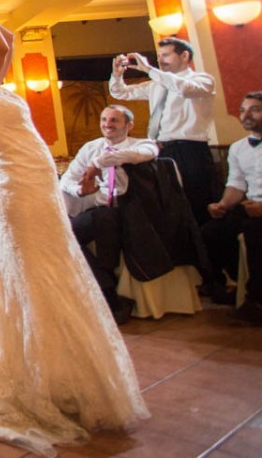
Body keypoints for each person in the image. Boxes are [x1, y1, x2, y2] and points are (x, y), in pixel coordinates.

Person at [0, 0, 147, 455]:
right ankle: (31, 377)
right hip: (16, 189)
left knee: (53, 267)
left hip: (38, 183)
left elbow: (9, 42)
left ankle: (63, 371)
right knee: (31, 272)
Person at [58, 105, 159, 323]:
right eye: (104, 119)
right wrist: (79, 190)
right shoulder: (91, 147)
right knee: (63, 236)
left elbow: (136, 155)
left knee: (106, 218)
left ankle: (109, 294)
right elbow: (67, 179)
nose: (107, 124)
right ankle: (107, 288)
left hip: (132, 212)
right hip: (99, 210)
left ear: (129, 125)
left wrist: (98, 163)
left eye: (114, 120)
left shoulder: (142, 145)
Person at [109, 38, 216, 224]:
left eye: (166, 55)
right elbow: (121, 92)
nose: (160, 60)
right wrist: (117, 75)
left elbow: (184, 89)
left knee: (197, 202)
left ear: (184, 56)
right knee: (169, 206)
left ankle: (204, 240)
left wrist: (149, 69)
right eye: (159, 56)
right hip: (161, 150)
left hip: (189, 151)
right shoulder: (156, 85)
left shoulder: (202, 80)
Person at [201, 92, 262, 324]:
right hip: (251, 206)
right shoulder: (238, 148)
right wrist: (222, 205)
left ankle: (257, 301)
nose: (246, 115)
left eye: (254, 110)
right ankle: (239, 284)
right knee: (211, 231)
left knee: (254, 230)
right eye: (243, 110)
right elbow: (236, 184)